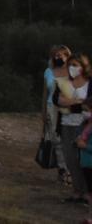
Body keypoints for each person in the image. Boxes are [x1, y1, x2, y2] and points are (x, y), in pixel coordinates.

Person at [57, 53, 91, 202]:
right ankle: (77, 190)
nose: (72, 68)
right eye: (70, 65)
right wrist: (78, 103)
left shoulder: (90, 83)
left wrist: (70, 103)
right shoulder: (64, 82)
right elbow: (58, 100)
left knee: (84, 160)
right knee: (70, 159)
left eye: (75, 65)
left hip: (85, 126)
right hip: (67, 124)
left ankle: (87, 192)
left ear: (83, 67)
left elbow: (87, 105)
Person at [48, 45, 74, 184]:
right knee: (56, 139)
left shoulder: (73, 71)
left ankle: (72, 171)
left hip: (69, 107)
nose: (58, 57)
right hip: (52, 107)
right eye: (55, 55)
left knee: (70, 139)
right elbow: (46, 93)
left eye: (61, 55)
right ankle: (62, 170)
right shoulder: (50, 72)